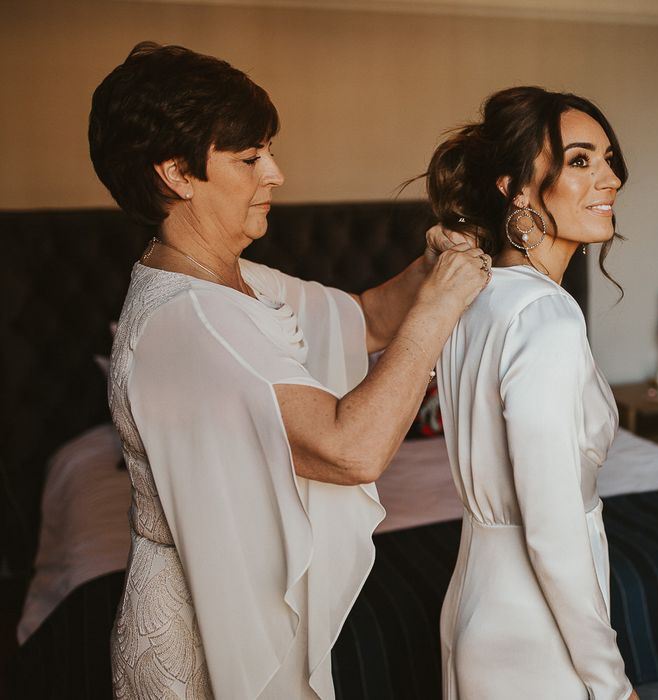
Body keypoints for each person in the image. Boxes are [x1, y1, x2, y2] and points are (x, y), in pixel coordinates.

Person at [89, 42, 489, 699]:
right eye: (249, 158)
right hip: (206, 628)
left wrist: (436, 259)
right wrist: (440, 309)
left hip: (232, 584)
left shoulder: (227, 281)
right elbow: (349, 451)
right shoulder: (191, 319)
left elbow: (361, 318)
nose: (274, 172)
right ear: (175, 174)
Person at [427, 86, 640, 699]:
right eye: (580, 161)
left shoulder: (472, 296)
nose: (610, 178)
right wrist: (610, 679)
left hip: (474, 601)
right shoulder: (547, 316)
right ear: (517, 189)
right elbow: (549, 525)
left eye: (607, 159)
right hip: (536, 633)